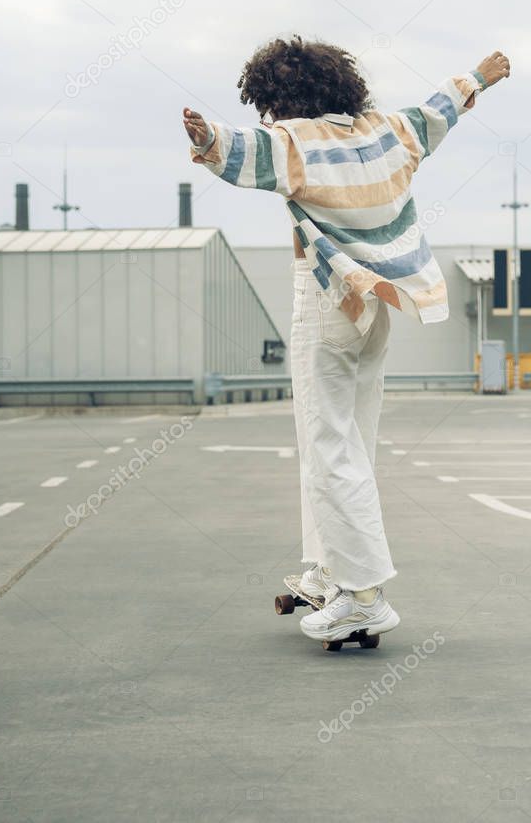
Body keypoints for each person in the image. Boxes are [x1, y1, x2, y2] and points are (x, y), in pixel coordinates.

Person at [183, 35, 510, 643]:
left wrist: (206, 138)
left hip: (329, 297)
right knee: (351, 442)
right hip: (380, 304)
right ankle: (329, 569)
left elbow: (241, 151)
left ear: (280, 99)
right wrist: (478, 77)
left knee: (326, 447)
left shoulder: (295, 140)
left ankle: (362, 595)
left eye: (267, 104)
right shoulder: (386, 132)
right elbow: (436, 111)